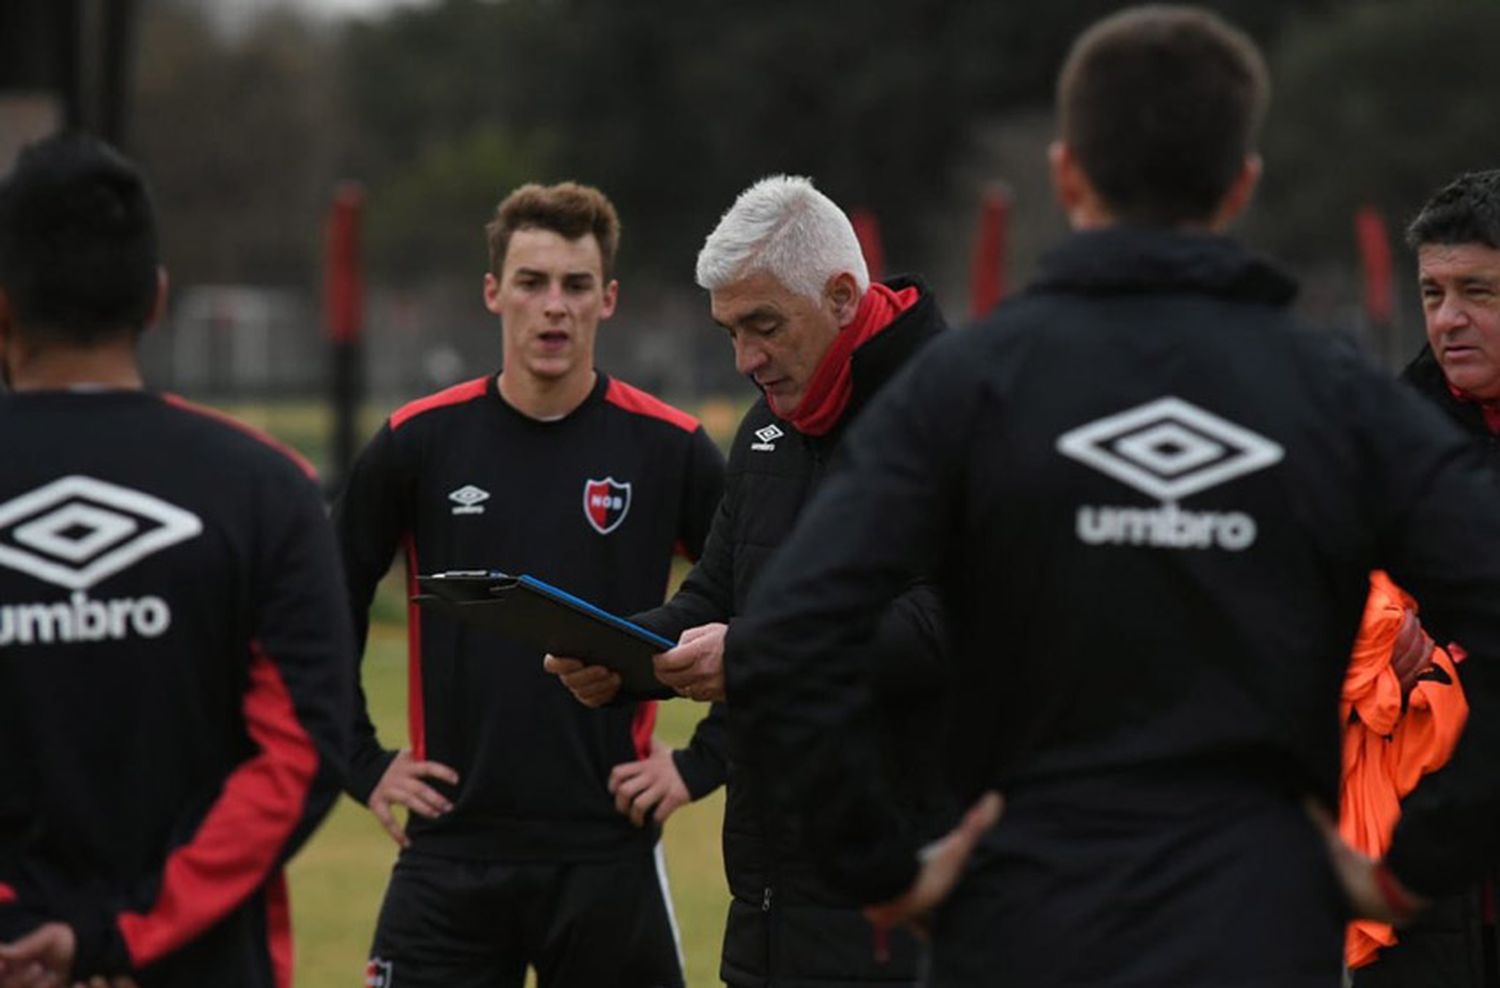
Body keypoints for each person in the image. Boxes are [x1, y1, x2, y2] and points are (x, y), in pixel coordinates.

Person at [723, 6, 1500, 986]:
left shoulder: (968, 387)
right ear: (1241, 185)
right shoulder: (1335, 396)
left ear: (1066, 177)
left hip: (1023, 919)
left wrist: (884, 867)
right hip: (1258, 920)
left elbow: (792, 634)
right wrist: (1413, 867)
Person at [547, 174, 952, 987]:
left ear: (842, 295)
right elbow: (717, 598)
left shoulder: (955, 408)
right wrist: (623, 654)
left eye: (763, 325)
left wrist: (761, 653)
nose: (745, 359)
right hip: (767, 899)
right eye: (730, 330)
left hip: (908, 896)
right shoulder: (770, 427)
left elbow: (950, 621)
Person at [335, 181, 724, 988]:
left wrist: (704, 762)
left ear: (607, 299)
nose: (555, 307)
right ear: (493, 293)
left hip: (607, 848)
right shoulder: (418, 442)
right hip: (450, 846)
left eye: (576, 286)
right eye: (532, 282)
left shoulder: (669, 448)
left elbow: (780, 598)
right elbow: (319, 602)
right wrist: (358, 760)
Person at [0, 133, 352, 987]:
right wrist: (125, 930)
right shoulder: (267, 489)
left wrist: (23, 922)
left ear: (2, 307)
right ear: (156, 300)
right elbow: (301, 751)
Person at [1346, 169, 1500, 987]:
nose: (1450, 320)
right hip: (1425, 864)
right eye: (1434, 293)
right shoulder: (1384, 444)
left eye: (1479, 292)